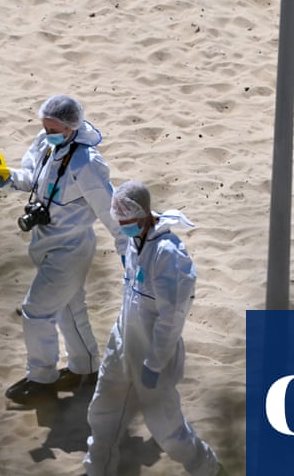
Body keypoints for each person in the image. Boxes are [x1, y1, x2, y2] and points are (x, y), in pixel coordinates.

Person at [0, 95, 127, 404]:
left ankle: (42, 380)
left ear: (71, 127)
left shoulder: (87, 165)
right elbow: (32, 179)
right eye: (44, 126)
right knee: (68, 309)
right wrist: (7, 177)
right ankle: (85, 369)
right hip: (45, 242)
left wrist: (127, 248)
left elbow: (110, 210)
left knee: (36, 312)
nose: (46, 132)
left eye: (53, 128)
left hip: (71, 250)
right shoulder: (44, 143)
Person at [83, 181, 221, 476]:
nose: (122, 227)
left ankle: (208, 468)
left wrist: (155, 362)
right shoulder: (135, 241)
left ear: (144, 216)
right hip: (122, 341)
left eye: (127, 221)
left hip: (152, 355)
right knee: (103, 412)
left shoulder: (169, 255)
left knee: (167, 430)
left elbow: (171, 318)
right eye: (119, 221)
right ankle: (98, 469)